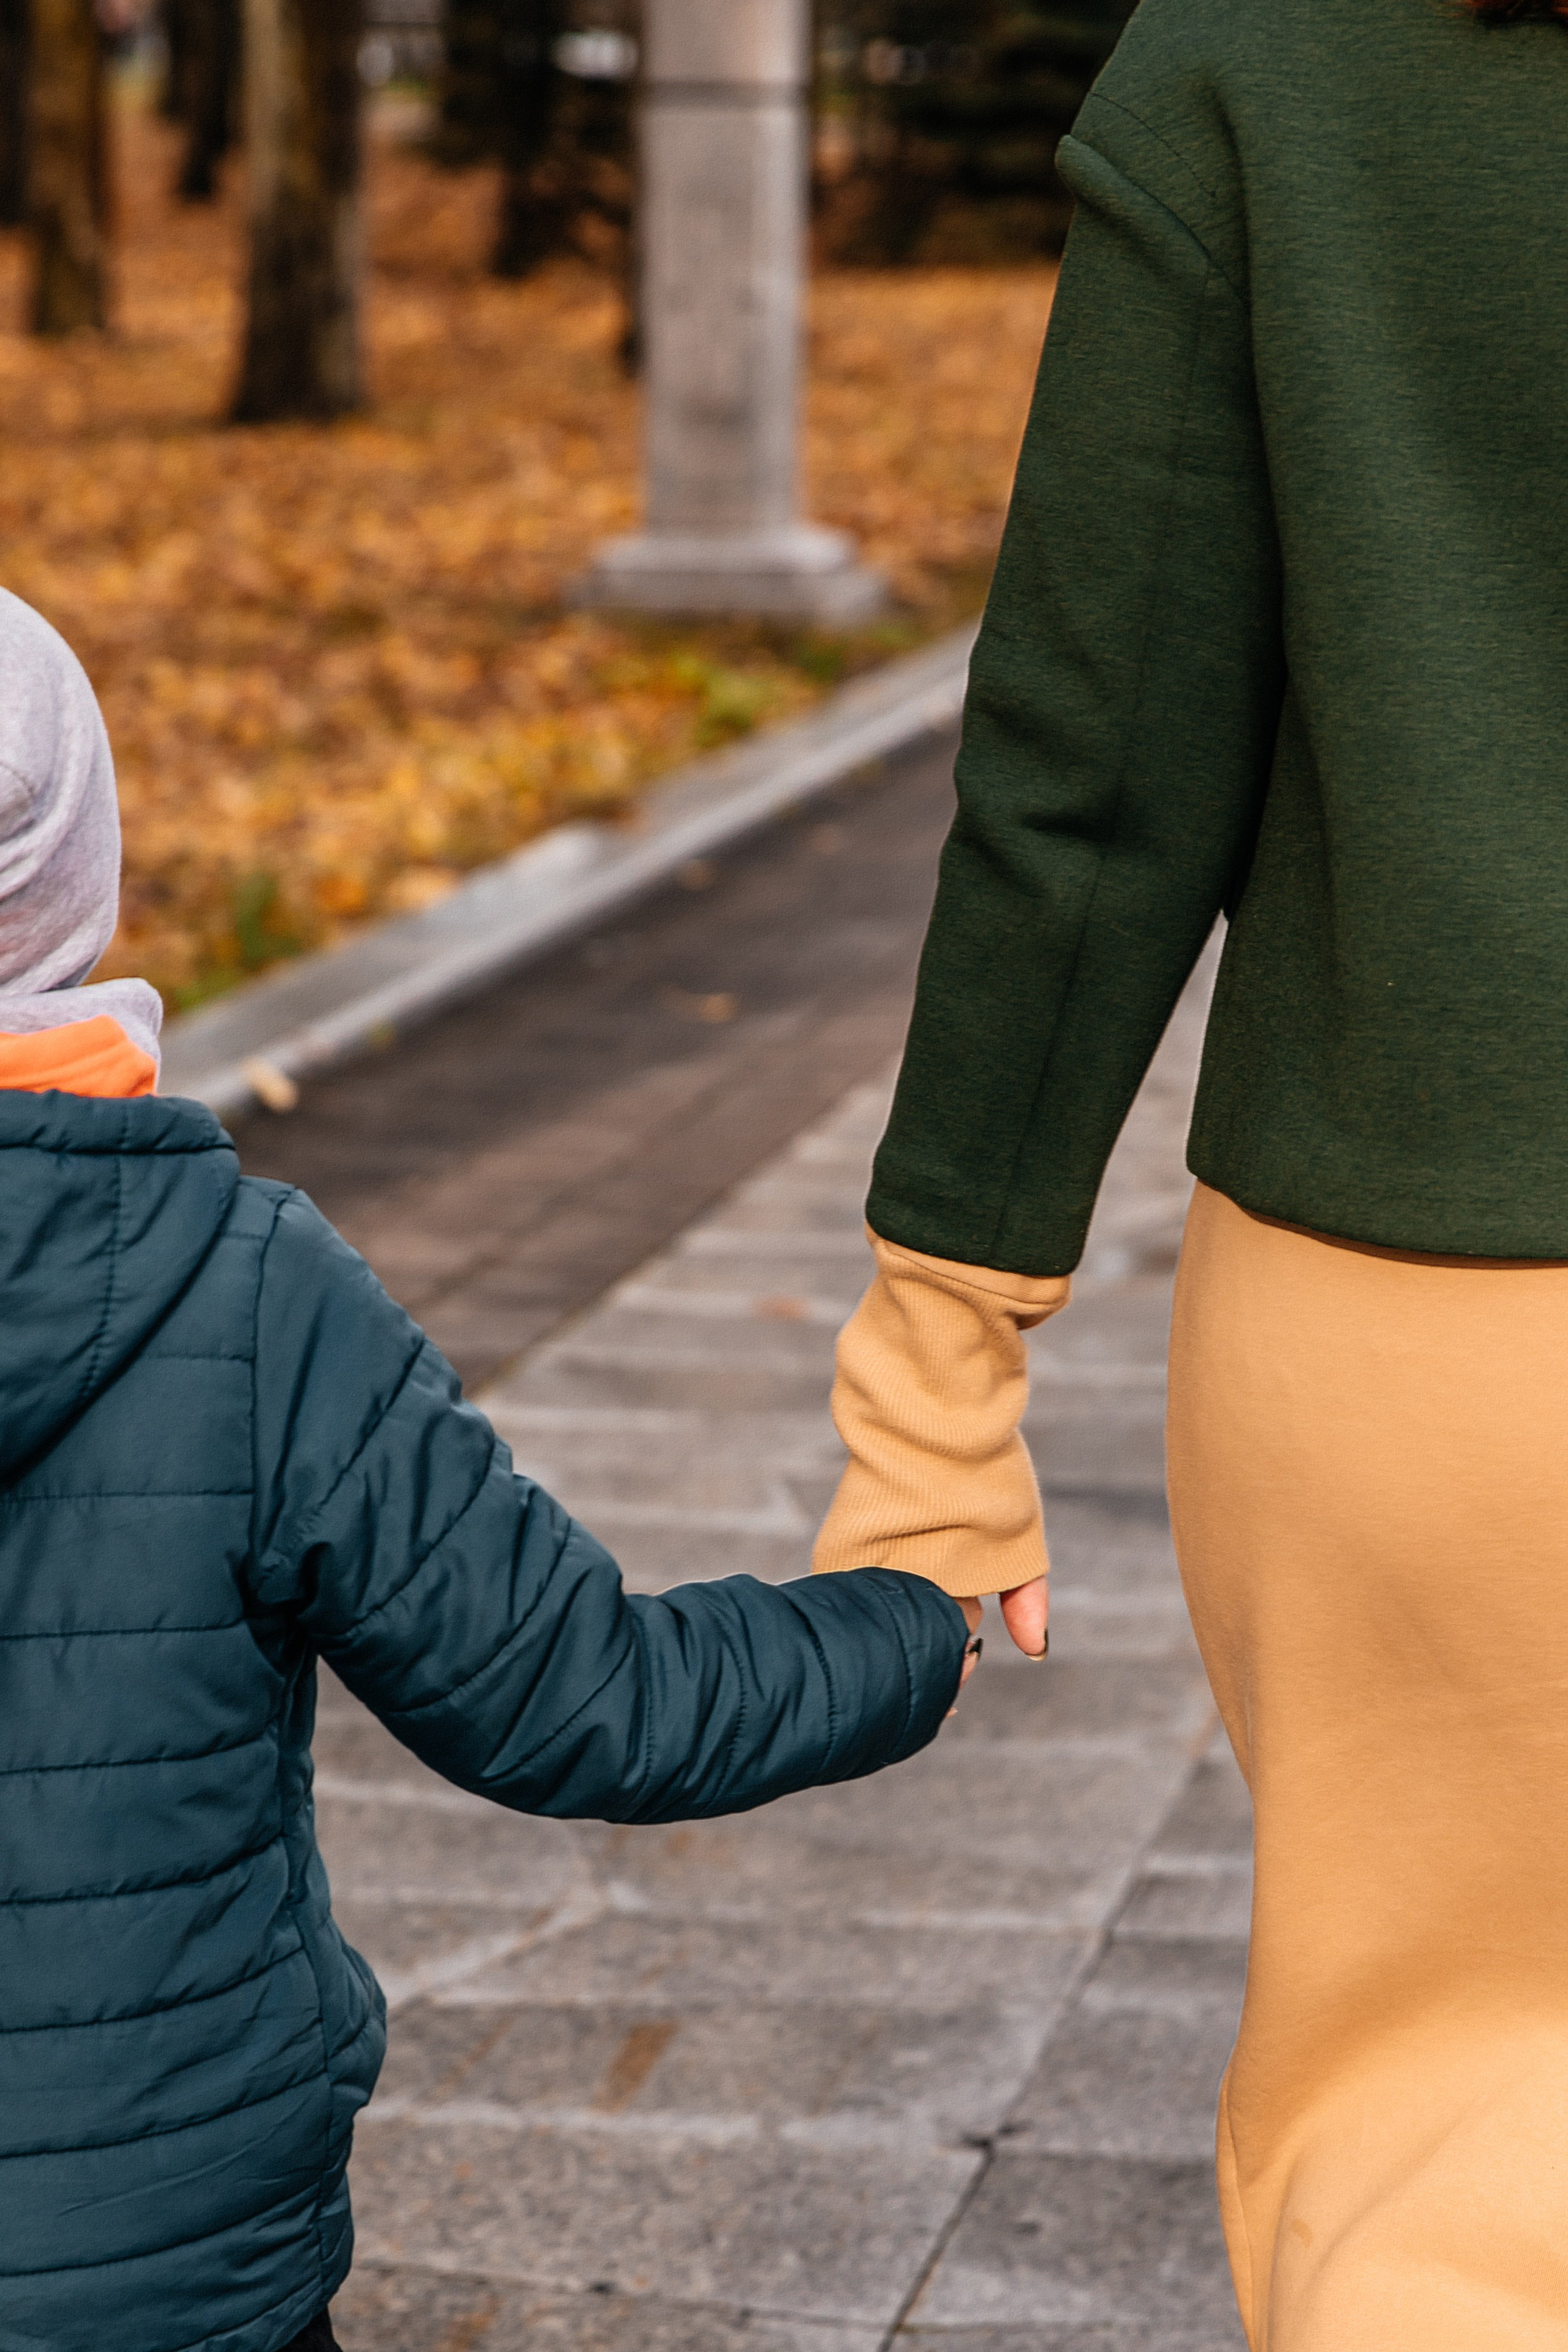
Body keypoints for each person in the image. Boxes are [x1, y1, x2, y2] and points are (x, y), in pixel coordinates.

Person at [812, 0, 1568, 2342]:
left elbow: (1091, 764)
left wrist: (934, 1378)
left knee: (1447, 2144)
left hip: (1420, 1313)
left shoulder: (1264, 58)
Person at [0, 586, 979, 2352]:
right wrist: (911, 1623)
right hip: (171, 2268)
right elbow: (586, 1700)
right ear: (79, 866)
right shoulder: (243, 1289)